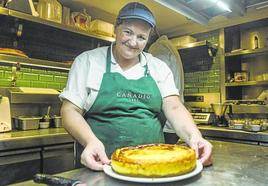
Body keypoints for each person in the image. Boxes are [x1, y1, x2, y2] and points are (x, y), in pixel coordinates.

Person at [59, 2, 213, 171]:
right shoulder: (87, 61)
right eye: (128, 32)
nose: (133, 42)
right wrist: (90, 142)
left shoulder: (158, 67)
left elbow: (174, 107)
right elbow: (70, 111)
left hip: (153, 165)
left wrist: (195, 137)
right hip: (100, 163)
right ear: (116, 29)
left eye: (141, 37)